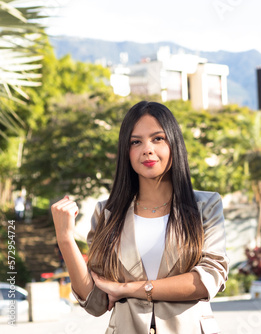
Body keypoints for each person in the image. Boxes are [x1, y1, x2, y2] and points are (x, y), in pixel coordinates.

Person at [51, 101, 228, 334]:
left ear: (174, 144)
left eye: (158, 138)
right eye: (136, 142)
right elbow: (95, 302)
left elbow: (207, 280)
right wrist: (65, 239)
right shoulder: (107, 213)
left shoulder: (205, 206)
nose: (147, 149)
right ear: (127, 151)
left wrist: (128, 288)